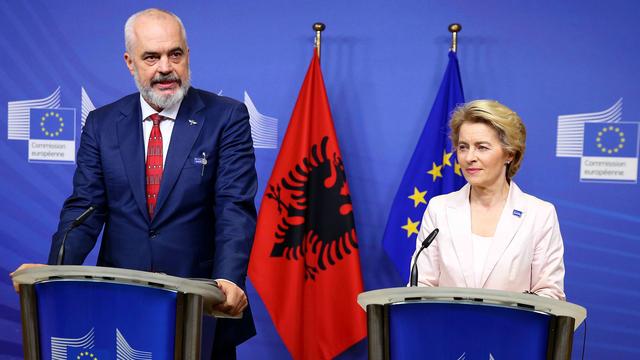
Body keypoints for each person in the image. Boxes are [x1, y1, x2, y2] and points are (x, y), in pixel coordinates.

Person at [12, 8, 257, 357]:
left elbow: (234, 206)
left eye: (175, 54)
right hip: (119, 306)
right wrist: (53, 273)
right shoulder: (102, 124)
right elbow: (84, 209)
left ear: (187, 55)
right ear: (130, 62)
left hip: (201, 309)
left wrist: (229, 280)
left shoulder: (226, 117)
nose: (165, 68)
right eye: (151, 57)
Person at [413, 100, 565, 300]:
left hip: (512, 329)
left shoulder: (539, 214)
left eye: (482, 147)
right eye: (463, 147)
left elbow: (549, 293)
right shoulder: (439, 208)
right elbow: (422, 285)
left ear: (509, 153)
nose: (469, 157)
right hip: (446, 328)